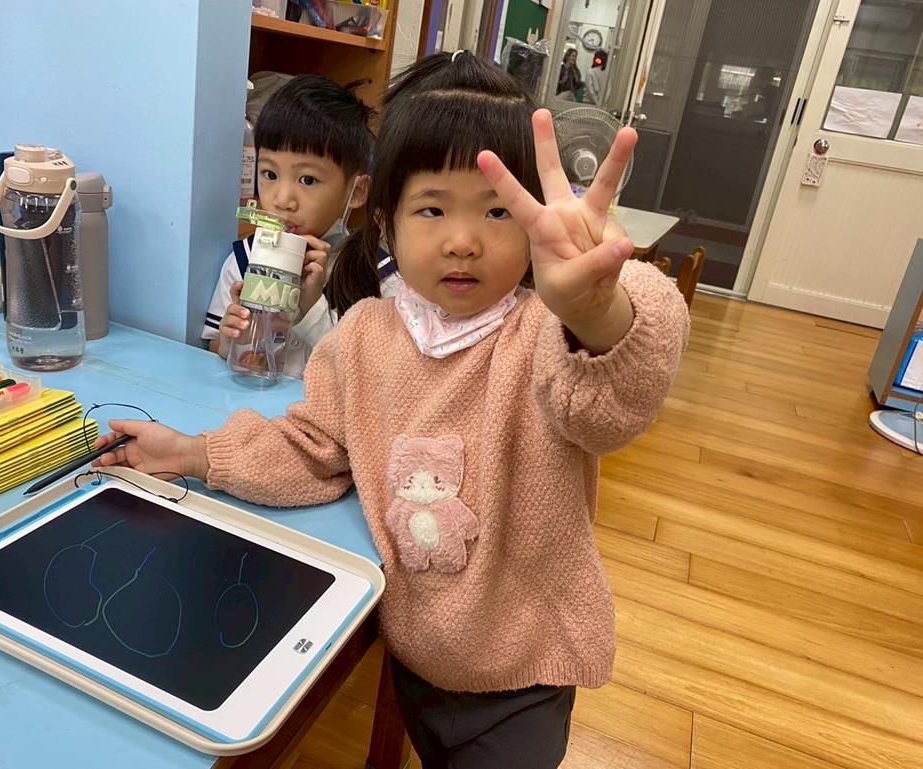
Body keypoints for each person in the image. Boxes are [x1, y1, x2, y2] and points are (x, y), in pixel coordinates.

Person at [95, 51, 689, 769]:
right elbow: (314, 448)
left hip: (524, 673)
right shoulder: (364, 335)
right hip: (415, 648)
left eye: (497, 210)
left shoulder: (545, 335)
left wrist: (597, 311)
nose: (463, 239)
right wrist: (191, 452)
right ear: (386, 221)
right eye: (432, 209)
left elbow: (613, 405)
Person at [203, 75, 398, 377]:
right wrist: (231, 342)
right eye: (269, 174)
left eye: (307, 180)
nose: (282, 200)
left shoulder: (379, 275)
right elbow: (214, 345)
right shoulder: (244, 259)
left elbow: (376, 377)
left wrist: (311, 309)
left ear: (357, 191)